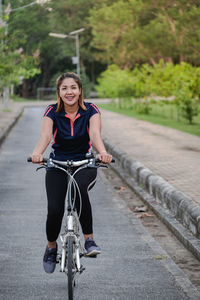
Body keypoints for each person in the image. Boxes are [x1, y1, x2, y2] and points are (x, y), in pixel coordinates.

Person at [30, 72, 112, 273]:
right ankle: (51, 248)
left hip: (84, 162)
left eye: (73, 87)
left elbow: (94, 134)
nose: (69, 92)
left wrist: (102, 152)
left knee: (80, 190)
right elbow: (46, 136)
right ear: (59, 92)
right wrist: (37, 153)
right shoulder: (51, 111)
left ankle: (89, 240)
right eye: (64, 88)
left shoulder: (91, 110)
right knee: (55, 210)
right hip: (57, 162)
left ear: (80, 90)